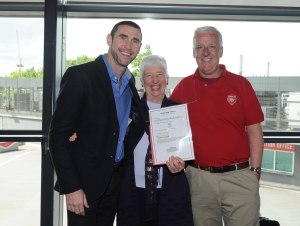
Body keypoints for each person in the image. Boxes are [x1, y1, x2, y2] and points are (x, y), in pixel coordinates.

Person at [48, 21, 143, 226]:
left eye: (135, 41)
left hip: (115, 182)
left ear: (139, 48)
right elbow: (57, 137)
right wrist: (71, 187)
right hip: (84, 186)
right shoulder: (81, 76)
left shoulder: (129, 82)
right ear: (109, 39)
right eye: (123, 37)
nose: (128, 45)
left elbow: (132, 121)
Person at [170, 26, 264, 226]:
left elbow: (255, 130)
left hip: (240, 177)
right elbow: (170, 128)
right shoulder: (183, 87)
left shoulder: (241, 85)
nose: (205, 52)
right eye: (200, 47)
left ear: (221, 51)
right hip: (199, 180)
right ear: (194, 52)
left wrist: (255, 171)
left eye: (211, 46)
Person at [116, 55, 194, 226]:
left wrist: (183, 163)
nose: (155, 80)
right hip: (132, 191)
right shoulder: (129, 111)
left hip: (170, 191)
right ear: (142, 81)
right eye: (149, 75)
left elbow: (187, 149)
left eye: (159, 74)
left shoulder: (179, 112)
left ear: (167, 79)